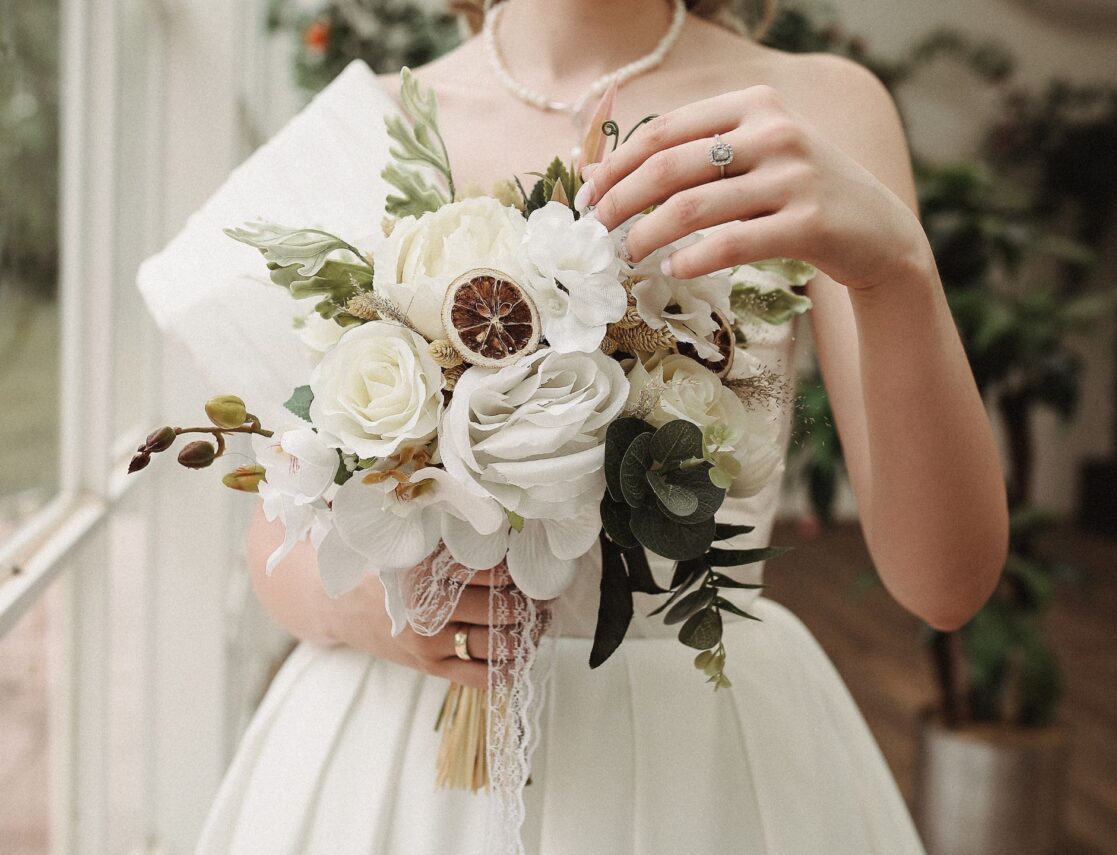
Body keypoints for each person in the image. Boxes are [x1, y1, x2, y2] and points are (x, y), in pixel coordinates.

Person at [149, 1, 1008, 852]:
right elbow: (276, 533)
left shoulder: (817, 110)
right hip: (395, 760)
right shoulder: (365, 124)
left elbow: (945, 585)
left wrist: (898, 274)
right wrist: (380, 614)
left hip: (696, 771)